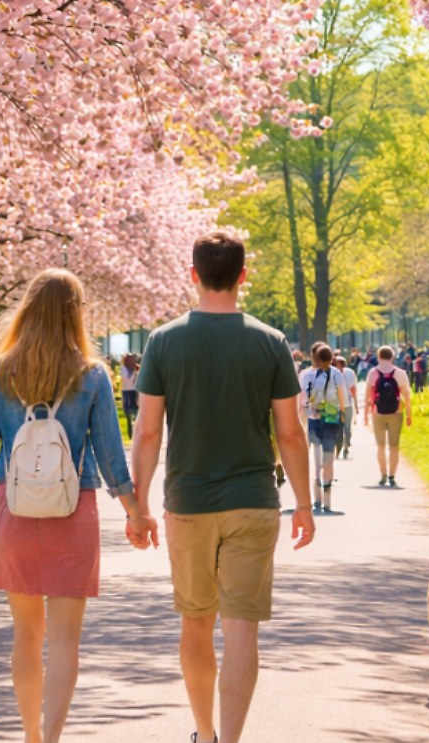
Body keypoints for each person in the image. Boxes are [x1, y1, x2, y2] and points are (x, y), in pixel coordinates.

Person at [129, 229, 315, 743]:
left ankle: (205, 733)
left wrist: (138, 507)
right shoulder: (271, 343)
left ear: (193, 275)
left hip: (187, 503)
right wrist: (304, 504)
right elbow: (291, 434)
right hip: (253, 503)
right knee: (241, 630)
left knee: (196, 622)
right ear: (242, 277)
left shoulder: (164, 341)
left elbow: (147, 432)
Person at [0, 269, 150, 743]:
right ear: (74, 315)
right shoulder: (91, 375)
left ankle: (30, 735)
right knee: (66, 638)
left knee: (26, 635)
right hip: (73, 512)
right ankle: (52, 739)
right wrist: (135, 513)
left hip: (14, 511)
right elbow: (110, 454)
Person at [298, 344, 348, 512]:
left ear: (315, 359)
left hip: (314, 420)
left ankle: (316, 500)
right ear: (331, 358)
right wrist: (343, 416)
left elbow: (303, 399)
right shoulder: (336, 375)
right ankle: (327, 502)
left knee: (317, 459)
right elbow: (344, 399)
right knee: (328, 459)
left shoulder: (307, 375)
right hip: (331, 421)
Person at [365, 345, 412, 486]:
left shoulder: (373, 373)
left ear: (378, 356)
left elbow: (368, 396)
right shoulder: (400, 373)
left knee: (380, 446)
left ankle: (383, 474)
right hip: (396, 413)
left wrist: (365, 416)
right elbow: (407, 396)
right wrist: (409, 414)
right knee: (394, 447)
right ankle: (392, 476)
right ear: (392, 357)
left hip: (377, 412)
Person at [333, 354, 359, 460]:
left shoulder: (348, 373)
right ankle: (339, 447)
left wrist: (356, 405)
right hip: (335, 405)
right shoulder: (332, 373)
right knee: (337, 428)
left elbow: (353, 389)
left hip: (345, 404)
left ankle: (346, 446)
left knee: (346, 428)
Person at [120, 353, 140, 439]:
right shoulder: (127, 369)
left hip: (129, 391)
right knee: (131, 413)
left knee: (132, 413)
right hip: (129, 391)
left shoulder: (126, 369)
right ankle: (132, 433)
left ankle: (132, 433)